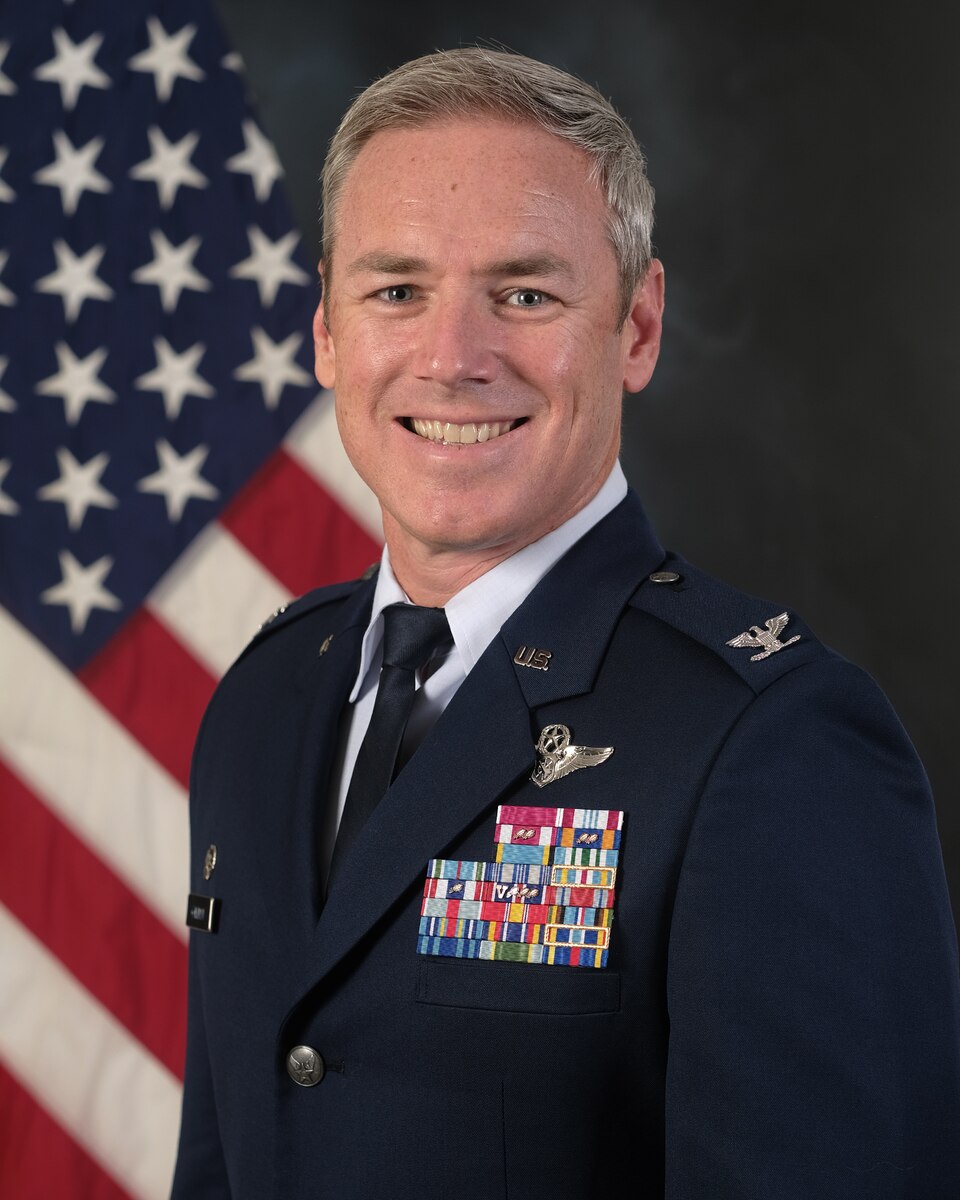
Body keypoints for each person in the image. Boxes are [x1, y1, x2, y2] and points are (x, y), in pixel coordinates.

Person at [171, 47, 960, 1200]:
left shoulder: (773, 745)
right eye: (397, 292)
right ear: (328, 334)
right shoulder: (264, 701)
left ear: (637, 329)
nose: (453, 359)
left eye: (525, 294)